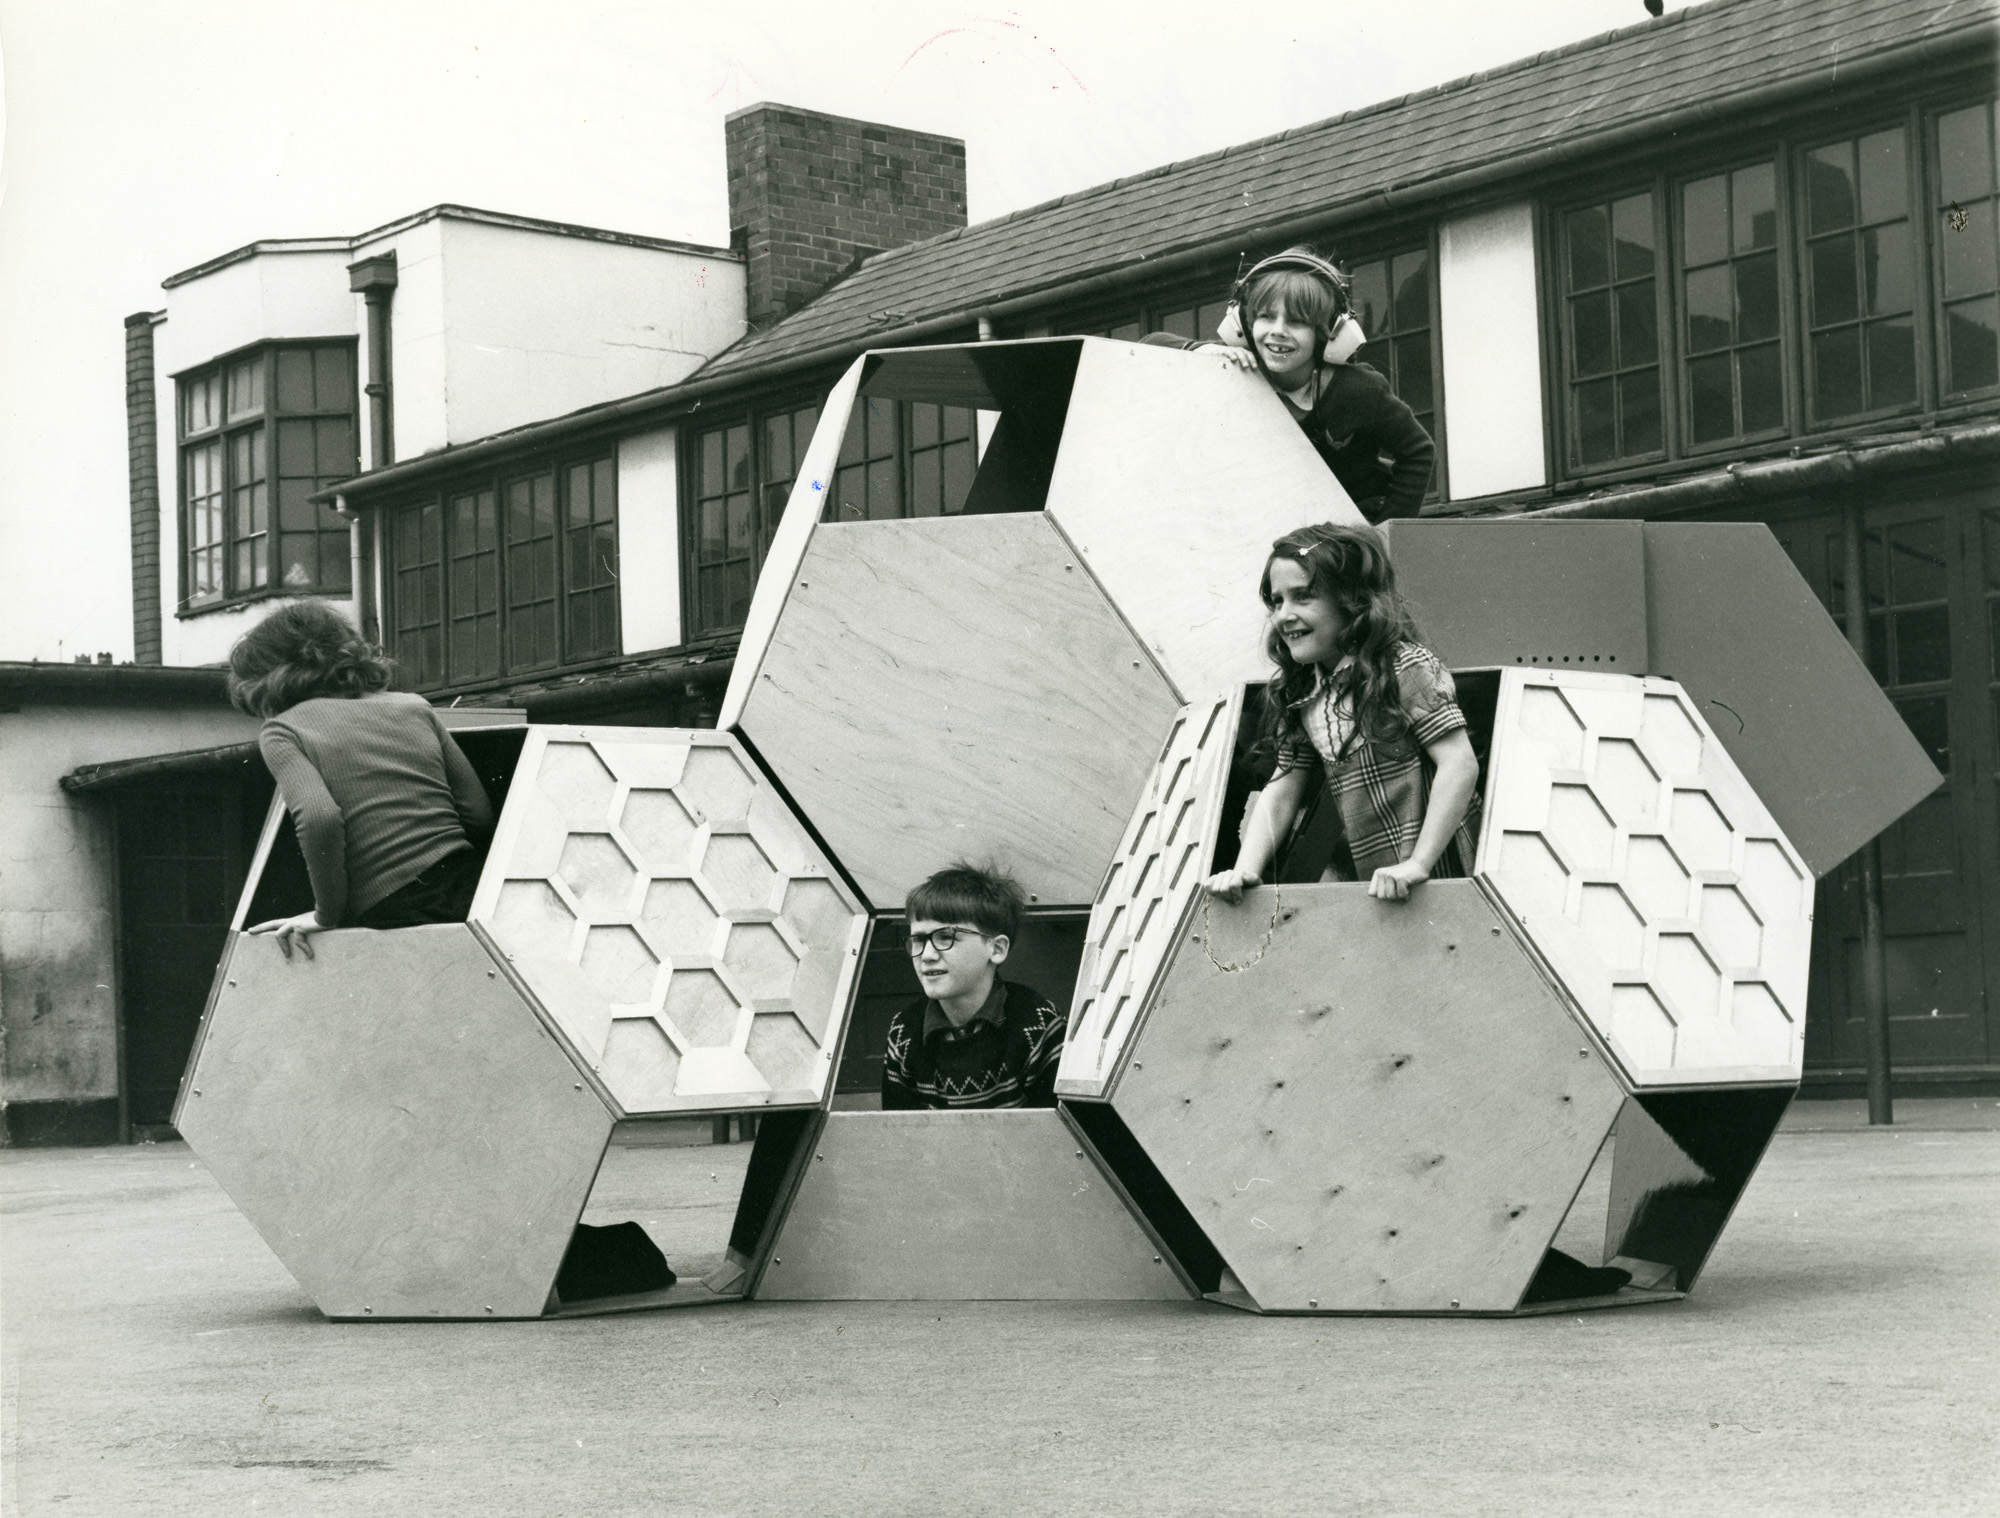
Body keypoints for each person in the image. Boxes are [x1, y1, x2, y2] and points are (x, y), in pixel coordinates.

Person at [1207, 522, 1480, 905]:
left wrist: (1418, 863)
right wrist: (1245, 869)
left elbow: (1459, 764)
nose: (1284, 615)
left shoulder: (1403, 667)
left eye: (1303, 597)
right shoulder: (1304, 690)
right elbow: (1282, 789)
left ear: (1351, 600)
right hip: (1381, 881)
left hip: (1444, 871)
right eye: (1277, 601)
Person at [226, 602, 494, 956]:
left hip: (395, 906)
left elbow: (320, 818)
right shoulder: (414, 707)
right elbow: (478, 812)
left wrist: (326, 916)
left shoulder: (283, 731)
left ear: (267, 676)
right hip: (471, 885)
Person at [1142, 248, 1435, 523]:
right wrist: (1198, 350)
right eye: (1266, 317)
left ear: (1329, 332)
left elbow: (1418, 451)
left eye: (1296, 321)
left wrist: (1385, 533)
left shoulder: (1358, 389)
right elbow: (1149, 344)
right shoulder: (1235, 366)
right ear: (1243, 324)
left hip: (1350, 525)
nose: (1278, 331)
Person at [881, 864, 1064, 1110]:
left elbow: (1058, 1130)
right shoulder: (903, 1031)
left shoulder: (1038, 1024)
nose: (927, 955)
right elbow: (898, 1131)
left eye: (946, 938)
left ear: (996, 949)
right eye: (919, 940)